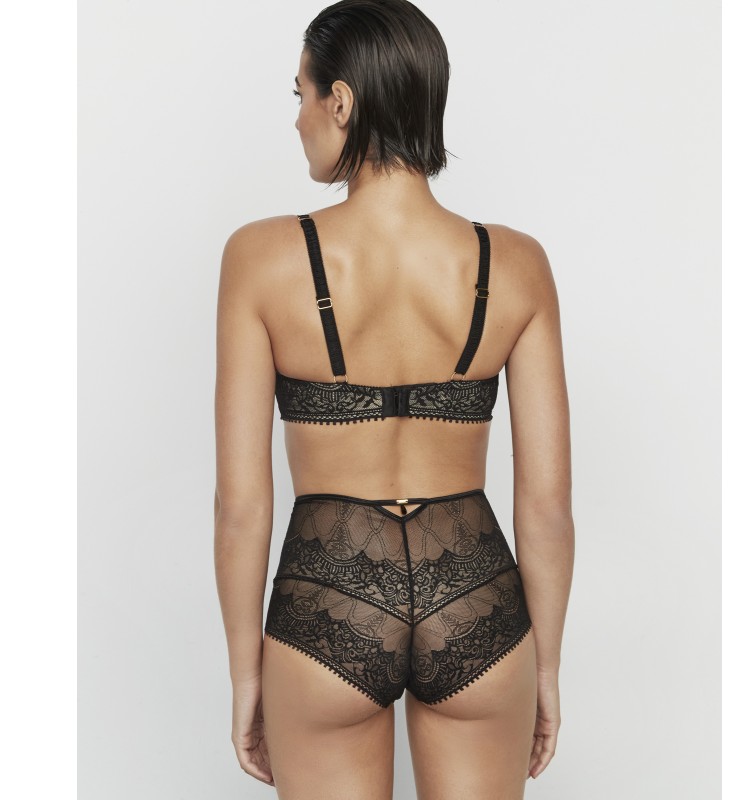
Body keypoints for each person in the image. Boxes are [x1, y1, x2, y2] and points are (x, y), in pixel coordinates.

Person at [214, 1, 574, 797]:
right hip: (476, 592)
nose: (298, 118)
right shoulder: (517, 264)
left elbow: (241, 507)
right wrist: (544, 666)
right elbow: (547, 507)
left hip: (326, 592)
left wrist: (246, 674)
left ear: (341, 101)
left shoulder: (260, 259)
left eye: (301, 94)